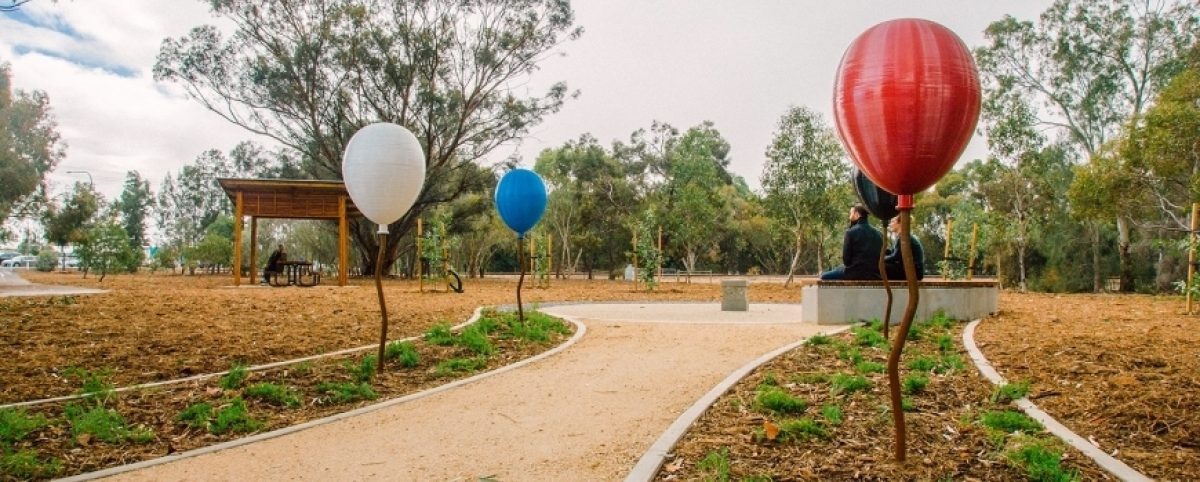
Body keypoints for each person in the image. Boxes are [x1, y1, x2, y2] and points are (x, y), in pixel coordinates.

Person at [820, 205, 883, 280]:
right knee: (837, 268)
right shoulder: (879, 233)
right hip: (874, 274)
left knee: (823, 276)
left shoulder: (851, 232)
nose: (850, 216)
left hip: (855, 273)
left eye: (851, 213)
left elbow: (846, 261)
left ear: (857, 214)